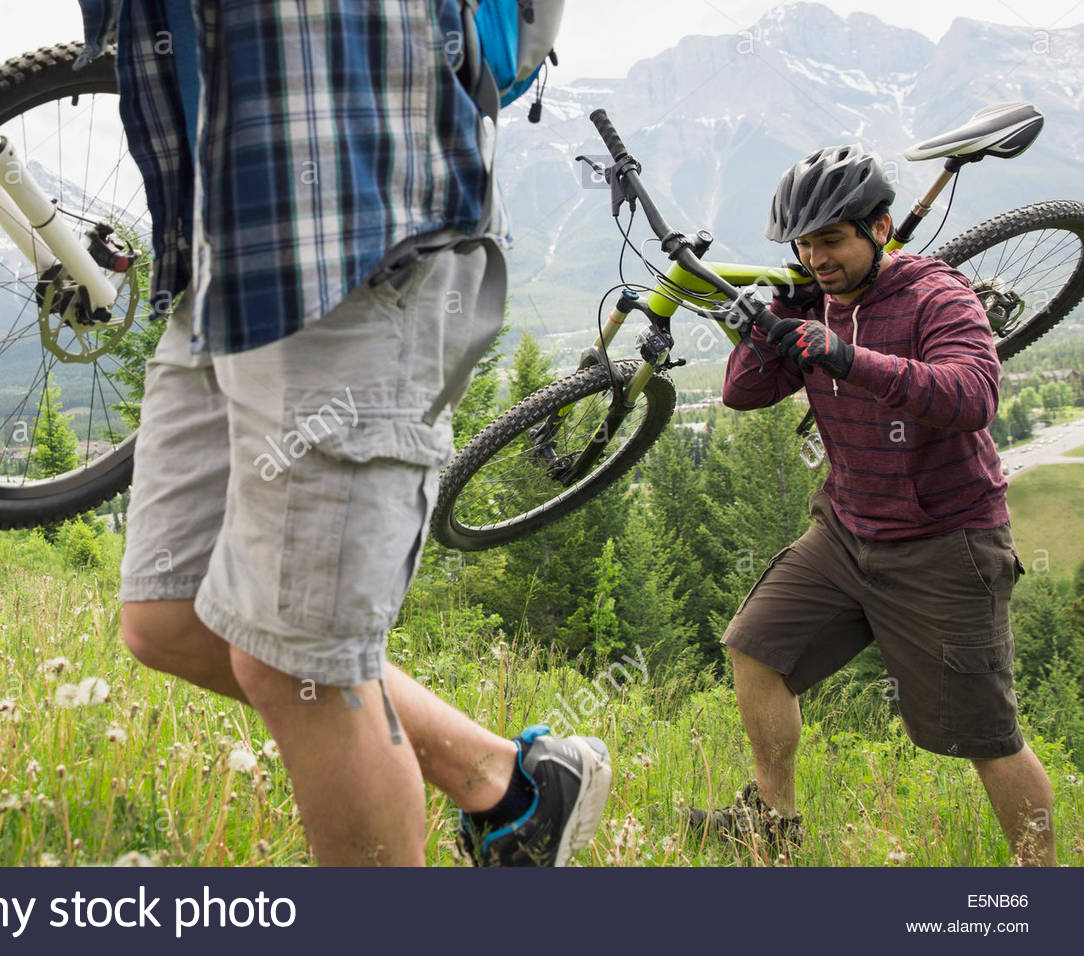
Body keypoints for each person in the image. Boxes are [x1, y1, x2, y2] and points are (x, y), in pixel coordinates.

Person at [72, 0, 611, 865]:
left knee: (305, 669)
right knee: (172, 615)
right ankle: (510, 784)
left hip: (355, 232)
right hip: (224, 243)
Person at [694, 144, 1055, 865]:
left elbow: (973, 397)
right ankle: (772, 823)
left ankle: (1040, 888)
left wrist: (844, 356)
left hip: (946, 543)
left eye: (831, 239)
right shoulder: (813, 297)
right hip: (845, 532)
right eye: (803, 243)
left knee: (987, 737)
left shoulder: (936, 296)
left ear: (880, 229)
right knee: (755, 649)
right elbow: (742, 394)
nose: (815, 256)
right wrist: (777, 320)